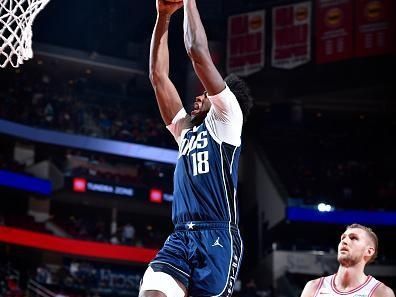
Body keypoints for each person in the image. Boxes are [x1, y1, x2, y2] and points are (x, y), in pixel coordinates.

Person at [139, 0, 253, 296]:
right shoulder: (186, 130)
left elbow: (198, 53)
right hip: (180, 235)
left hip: (217, 236)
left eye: (206, 92)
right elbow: (158, 77)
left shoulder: (228, 117)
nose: (199, 96)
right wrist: (163, 16)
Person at [300, 223, 395, 297]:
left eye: (353, 238)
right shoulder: (313, 287)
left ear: (369, 251)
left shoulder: (381, 293)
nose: (344, 241)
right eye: (343, 238)